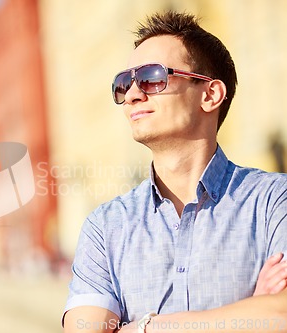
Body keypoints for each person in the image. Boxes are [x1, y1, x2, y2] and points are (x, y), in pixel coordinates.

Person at [63, 11, 287, 333]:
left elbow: (281, 317)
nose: (132, 95)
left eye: (153, 78)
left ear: (210, 95)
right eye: (124, 84)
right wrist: (247, 315)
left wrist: (139, 327)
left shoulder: (272, 202)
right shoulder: (106, 227)